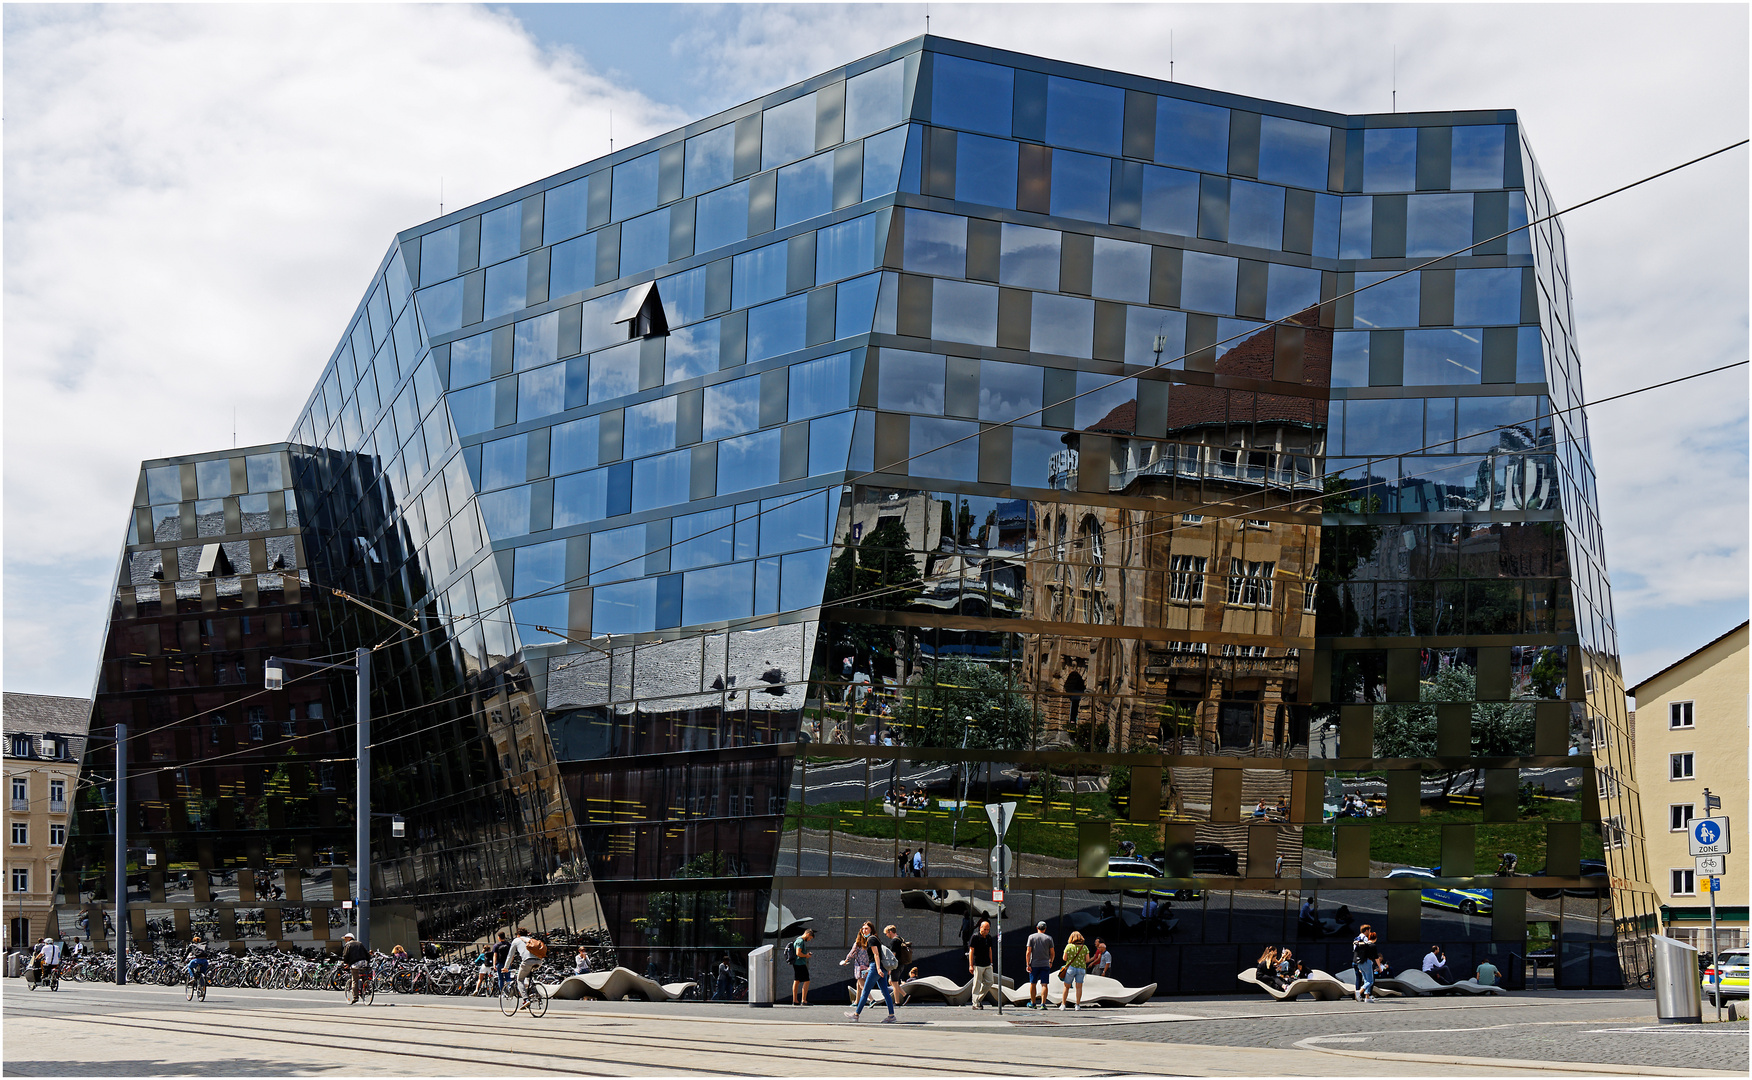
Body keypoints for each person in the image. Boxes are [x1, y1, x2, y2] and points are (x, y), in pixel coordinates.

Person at [841, 922, 896, 1023]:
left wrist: (878, 969)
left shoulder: (871, 939)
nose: (864, 930)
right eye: (862, 929)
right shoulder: (875, 939)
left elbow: (876, 955)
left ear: (871, 929)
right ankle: (891, 1016)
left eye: (866, 928)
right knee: (885, 992)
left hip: (875, 967)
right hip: (880, 968)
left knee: (865, 991)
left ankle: (856, 1015)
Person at [504, 928, 545, 1009]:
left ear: (518, 935)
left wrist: (506, 967)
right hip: (539, 961)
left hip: (527, 961)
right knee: (529, 977)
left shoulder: (516, 940)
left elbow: (510, 955)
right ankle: (534, 993)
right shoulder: (531, 940)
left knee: (520, 979)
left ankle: (526, 1000)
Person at [1025, 921, 1055, 1010]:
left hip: (1034, 964)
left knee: (1033, 983)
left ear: (1037, 928)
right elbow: (1052, 952)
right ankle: (1043, 1004)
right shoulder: (1049, 938)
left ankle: (1033, 1003)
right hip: (1045, 964)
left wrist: (1027, 964)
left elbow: (1028, 952)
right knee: (1044, 984)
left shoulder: (1031, 937)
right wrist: (1051, 962)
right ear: (1045, 929)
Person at [967, 919, 996, 1009]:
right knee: (977, 983)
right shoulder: (975, 937)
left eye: (988, 930)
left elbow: (990, 950)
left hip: (987, 963)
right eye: (985, 929)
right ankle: (975, 1003)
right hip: (978, 964)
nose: (986, 931)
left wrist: (991, 962)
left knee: (990, 981)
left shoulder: (989, 937)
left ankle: (978, 999)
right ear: (980, 928)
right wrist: (971, 965)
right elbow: (971, 951)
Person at [1059, 931, 1091, 1009]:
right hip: (1081, 969)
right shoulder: (1084, 947)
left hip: (1071, 968)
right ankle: (1077, 1005)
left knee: (1066, 987)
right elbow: (1087, 960)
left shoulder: (1069, 946)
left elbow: (1064, 958)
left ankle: (1063, 1005)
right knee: (1079, 987)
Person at [883, 925, 913, 1003]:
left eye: (886, 933)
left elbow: (893, 955)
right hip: (901, 963)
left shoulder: (894, 941)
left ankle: (898, 1001)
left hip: (896, 965)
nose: (886, 935)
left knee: (894, 982)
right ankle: (904, 996)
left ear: (890, 932)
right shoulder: (900, 939)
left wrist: (889, 967)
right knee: (892, 982)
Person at [1352, 928, 1380, 1002]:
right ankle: (1359, 992)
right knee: (1370, 981)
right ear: (1375, 938)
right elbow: (1376, 957)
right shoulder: (1372, 946)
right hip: (1367, 963)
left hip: (1360, 963)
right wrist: (1379, 967)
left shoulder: (1364, 944)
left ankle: (1367, 997)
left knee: (1365, 980)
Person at [788, 927, 814, 1005]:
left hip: (797, 963)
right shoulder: (800, 941)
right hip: (800, 963)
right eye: (810, 938)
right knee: (806, 980)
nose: (809, 940)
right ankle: (803, 1000)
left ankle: (795, 1000)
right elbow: (798, 953)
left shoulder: (797, 939)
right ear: (808, 934)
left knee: (797, 981)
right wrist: (806, 955)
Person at [340, 933, 371, 997]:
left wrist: (346, 963)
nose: (345, 940)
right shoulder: (360, 943)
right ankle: (366, 987)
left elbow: (345, 955)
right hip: (364, 962)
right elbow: (367, 953)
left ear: (349, 938)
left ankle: (355, 996)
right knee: (363, 975)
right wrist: (368, 961)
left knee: (355, 980)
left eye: (346, 938)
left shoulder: (348, 945)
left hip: (355, 964)